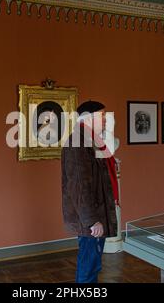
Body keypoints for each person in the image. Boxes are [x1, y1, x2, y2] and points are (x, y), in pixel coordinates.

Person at [61, 100, 118, 283]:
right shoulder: (78, 141)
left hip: (95, 214)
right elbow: (79, 185)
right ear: (89, 118)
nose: (105, 120)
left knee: (92, 265)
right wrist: (92, 220)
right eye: (102, 116)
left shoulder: (92, 140)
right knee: (89, 267)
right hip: (91, 219)